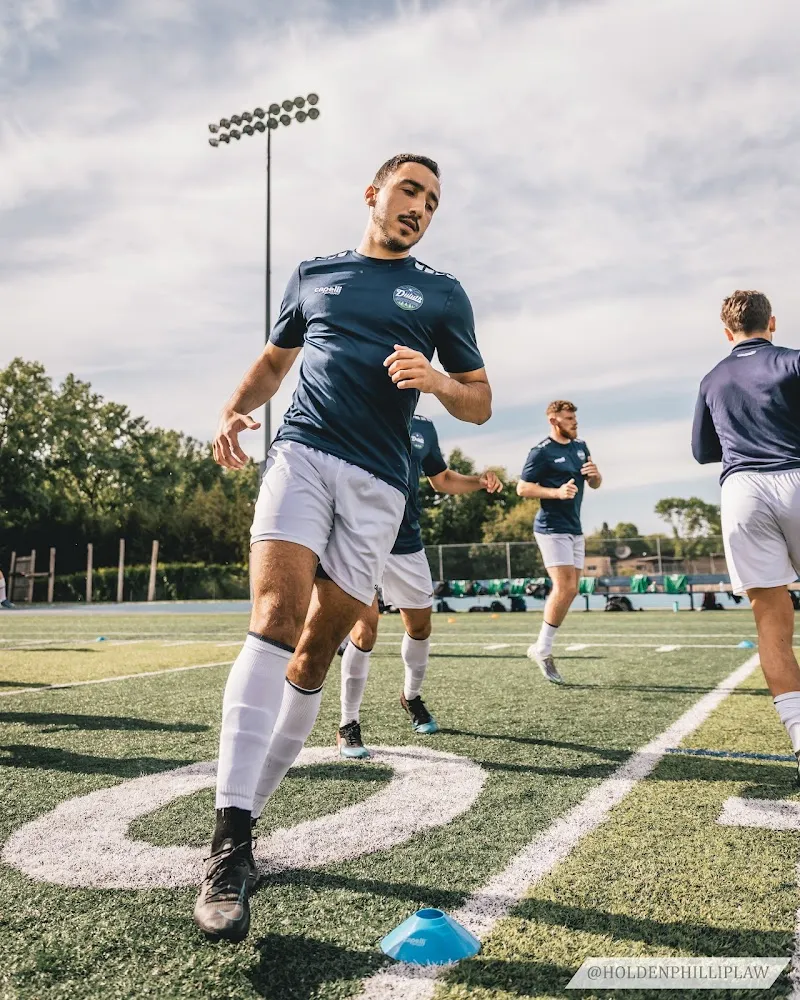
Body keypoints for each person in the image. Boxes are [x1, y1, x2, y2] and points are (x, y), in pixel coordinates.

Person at [194, 153, 492, 942]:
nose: (419, 207)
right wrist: (231, 410)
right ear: (373, 194)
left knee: (319, 652)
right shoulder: (314, 274)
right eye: (408, 191)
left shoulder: (442, 292)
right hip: (300, 453)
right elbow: (273, 362)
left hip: (380, 486)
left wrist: (435, 379)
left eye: (431, 200)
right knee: (274, 614)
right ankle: (228, 845)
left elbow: (481, 403)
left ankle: (249, 822)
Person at [336, 414, 503, 759]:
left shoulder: (424, 426)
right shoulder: (355, 406)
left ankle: (410, 697)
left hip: (407, 540)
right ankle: (347, 723)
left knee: (421, 627)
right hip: (359, 537)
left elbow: (440, 479)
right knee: (365, 630)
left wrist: (479, 482)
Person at [692, 289, 800, 782]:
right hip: (796, 475)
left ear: (727, 331)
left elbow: (701, 451)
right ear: (771, 323)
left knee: (771, 622)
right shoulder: (793, 361)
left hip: (742, 491)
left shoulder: (712, 378)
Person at [516, 401, 602, 683]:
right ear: (554, 421)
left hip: (575, 528)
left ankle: (541, 646)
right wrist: (556, 492)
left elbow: (595, 483)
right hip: (551, 528)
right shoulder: (540, 452)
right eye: (569, 419)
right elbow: (522, 488)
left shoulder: (581, 447)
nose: (575, 423)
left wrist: (596, 476)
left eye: (575, 418)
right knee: (564, 586)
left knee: (572, 589)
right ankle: (542, 648)